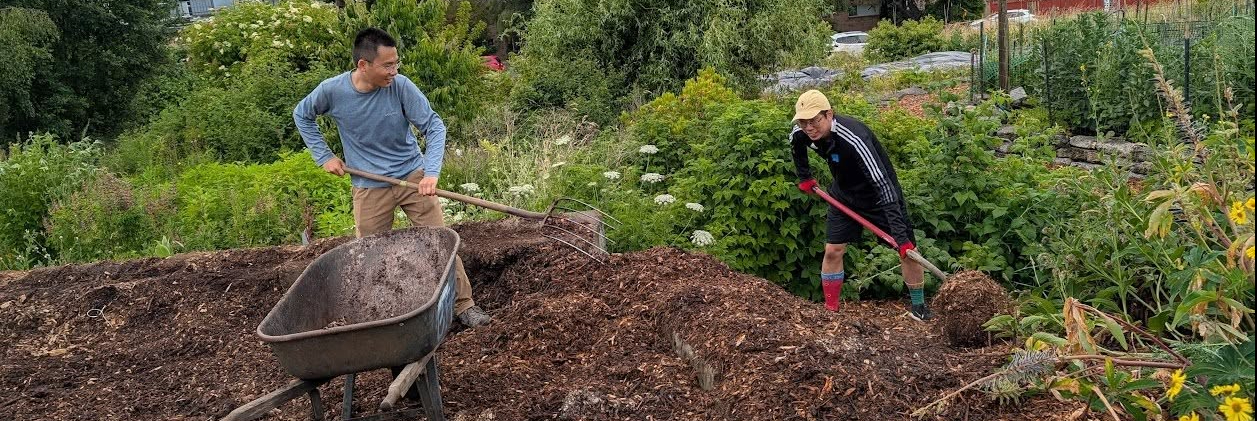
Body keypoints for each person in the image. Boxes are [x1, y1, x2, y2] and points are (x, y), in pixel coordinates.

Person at [293, 27, 490, 327]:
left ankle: (464, 306)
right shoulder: (333, 91)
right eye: (387, 65)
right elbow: (302, 115)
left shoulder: (400, 87)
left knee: (441, 243)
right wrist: (325, 156)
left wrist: (431, 173)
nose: (394, 71)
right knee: (369, 256)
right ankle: (380, 318)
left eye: (396, 63)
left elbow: (434, 126)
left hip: (412, 178)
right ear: (363, 65)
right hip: (369, 186)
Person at [789, 89, 931, 321]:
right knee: (833, 250)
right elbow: (795, 144)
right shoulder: (802, 132)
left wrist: (900, 237)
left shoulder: (854, 138)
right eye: (803, 122)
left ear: (829, 114)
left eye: (814, 121)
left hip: (879, 197)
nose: (809, 128)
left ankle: (919, 307)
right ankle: (831, 311)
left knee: (908, 252)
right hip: (843, 195)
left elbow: (883, 185)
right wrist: (805, 176)